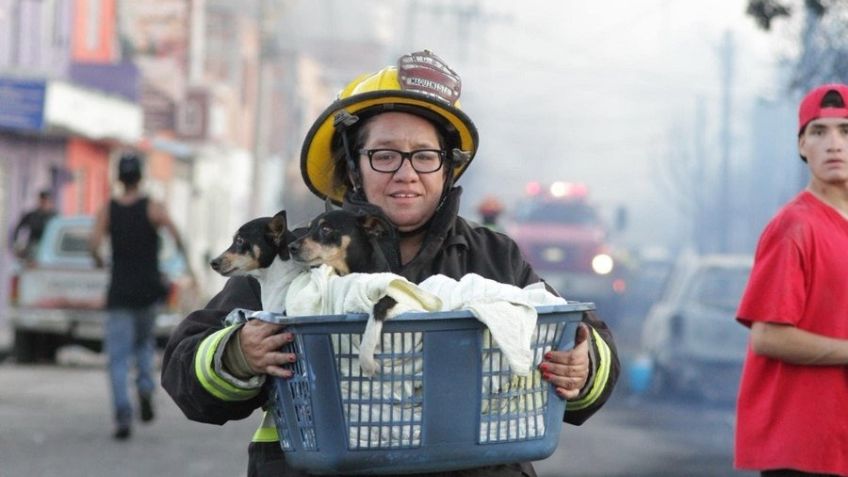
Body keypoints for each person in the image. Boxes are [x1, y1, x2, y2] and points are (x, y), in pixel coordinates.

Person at [162, 50, 619, 476]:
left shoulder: (493, 258)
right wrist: (238, 353)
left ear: (447, 168)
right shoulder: (292, 261)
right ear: (352, 166)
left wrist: (583, 366)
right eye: (383, 156)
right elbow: (184, 371)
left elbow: (583, 338)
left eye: (424, 156)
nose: (406, 172)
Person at [734, 83, 848, 476]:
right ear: (802, 145)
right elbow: (768, 336)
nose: (834, 144)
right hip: (802, 451)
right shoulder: (794, 227)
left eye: (846, 131)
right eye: (819, 131)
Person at [89, 152, 190, 440]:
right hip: (147, 291)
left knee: (118, 357)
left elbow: (94, 243)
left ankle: (122, 412)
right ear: (142, 177)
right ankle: (145, 388)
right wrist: (186, 264)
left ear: (119, 178)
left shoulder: (108, 210)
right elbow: (176, 234)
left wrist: (99, 259)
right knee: (144, 344)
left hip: (119, 292)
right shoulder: (152, 208)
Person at [11, 189, 56, 260]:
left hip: (51, 248)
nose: (44, 204)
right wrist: (17, 244)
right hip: (33, 247)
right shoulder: (32, 215)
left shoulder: (55, 217)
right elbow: (18, 228)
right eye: (42, 201)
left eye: (47, 201)